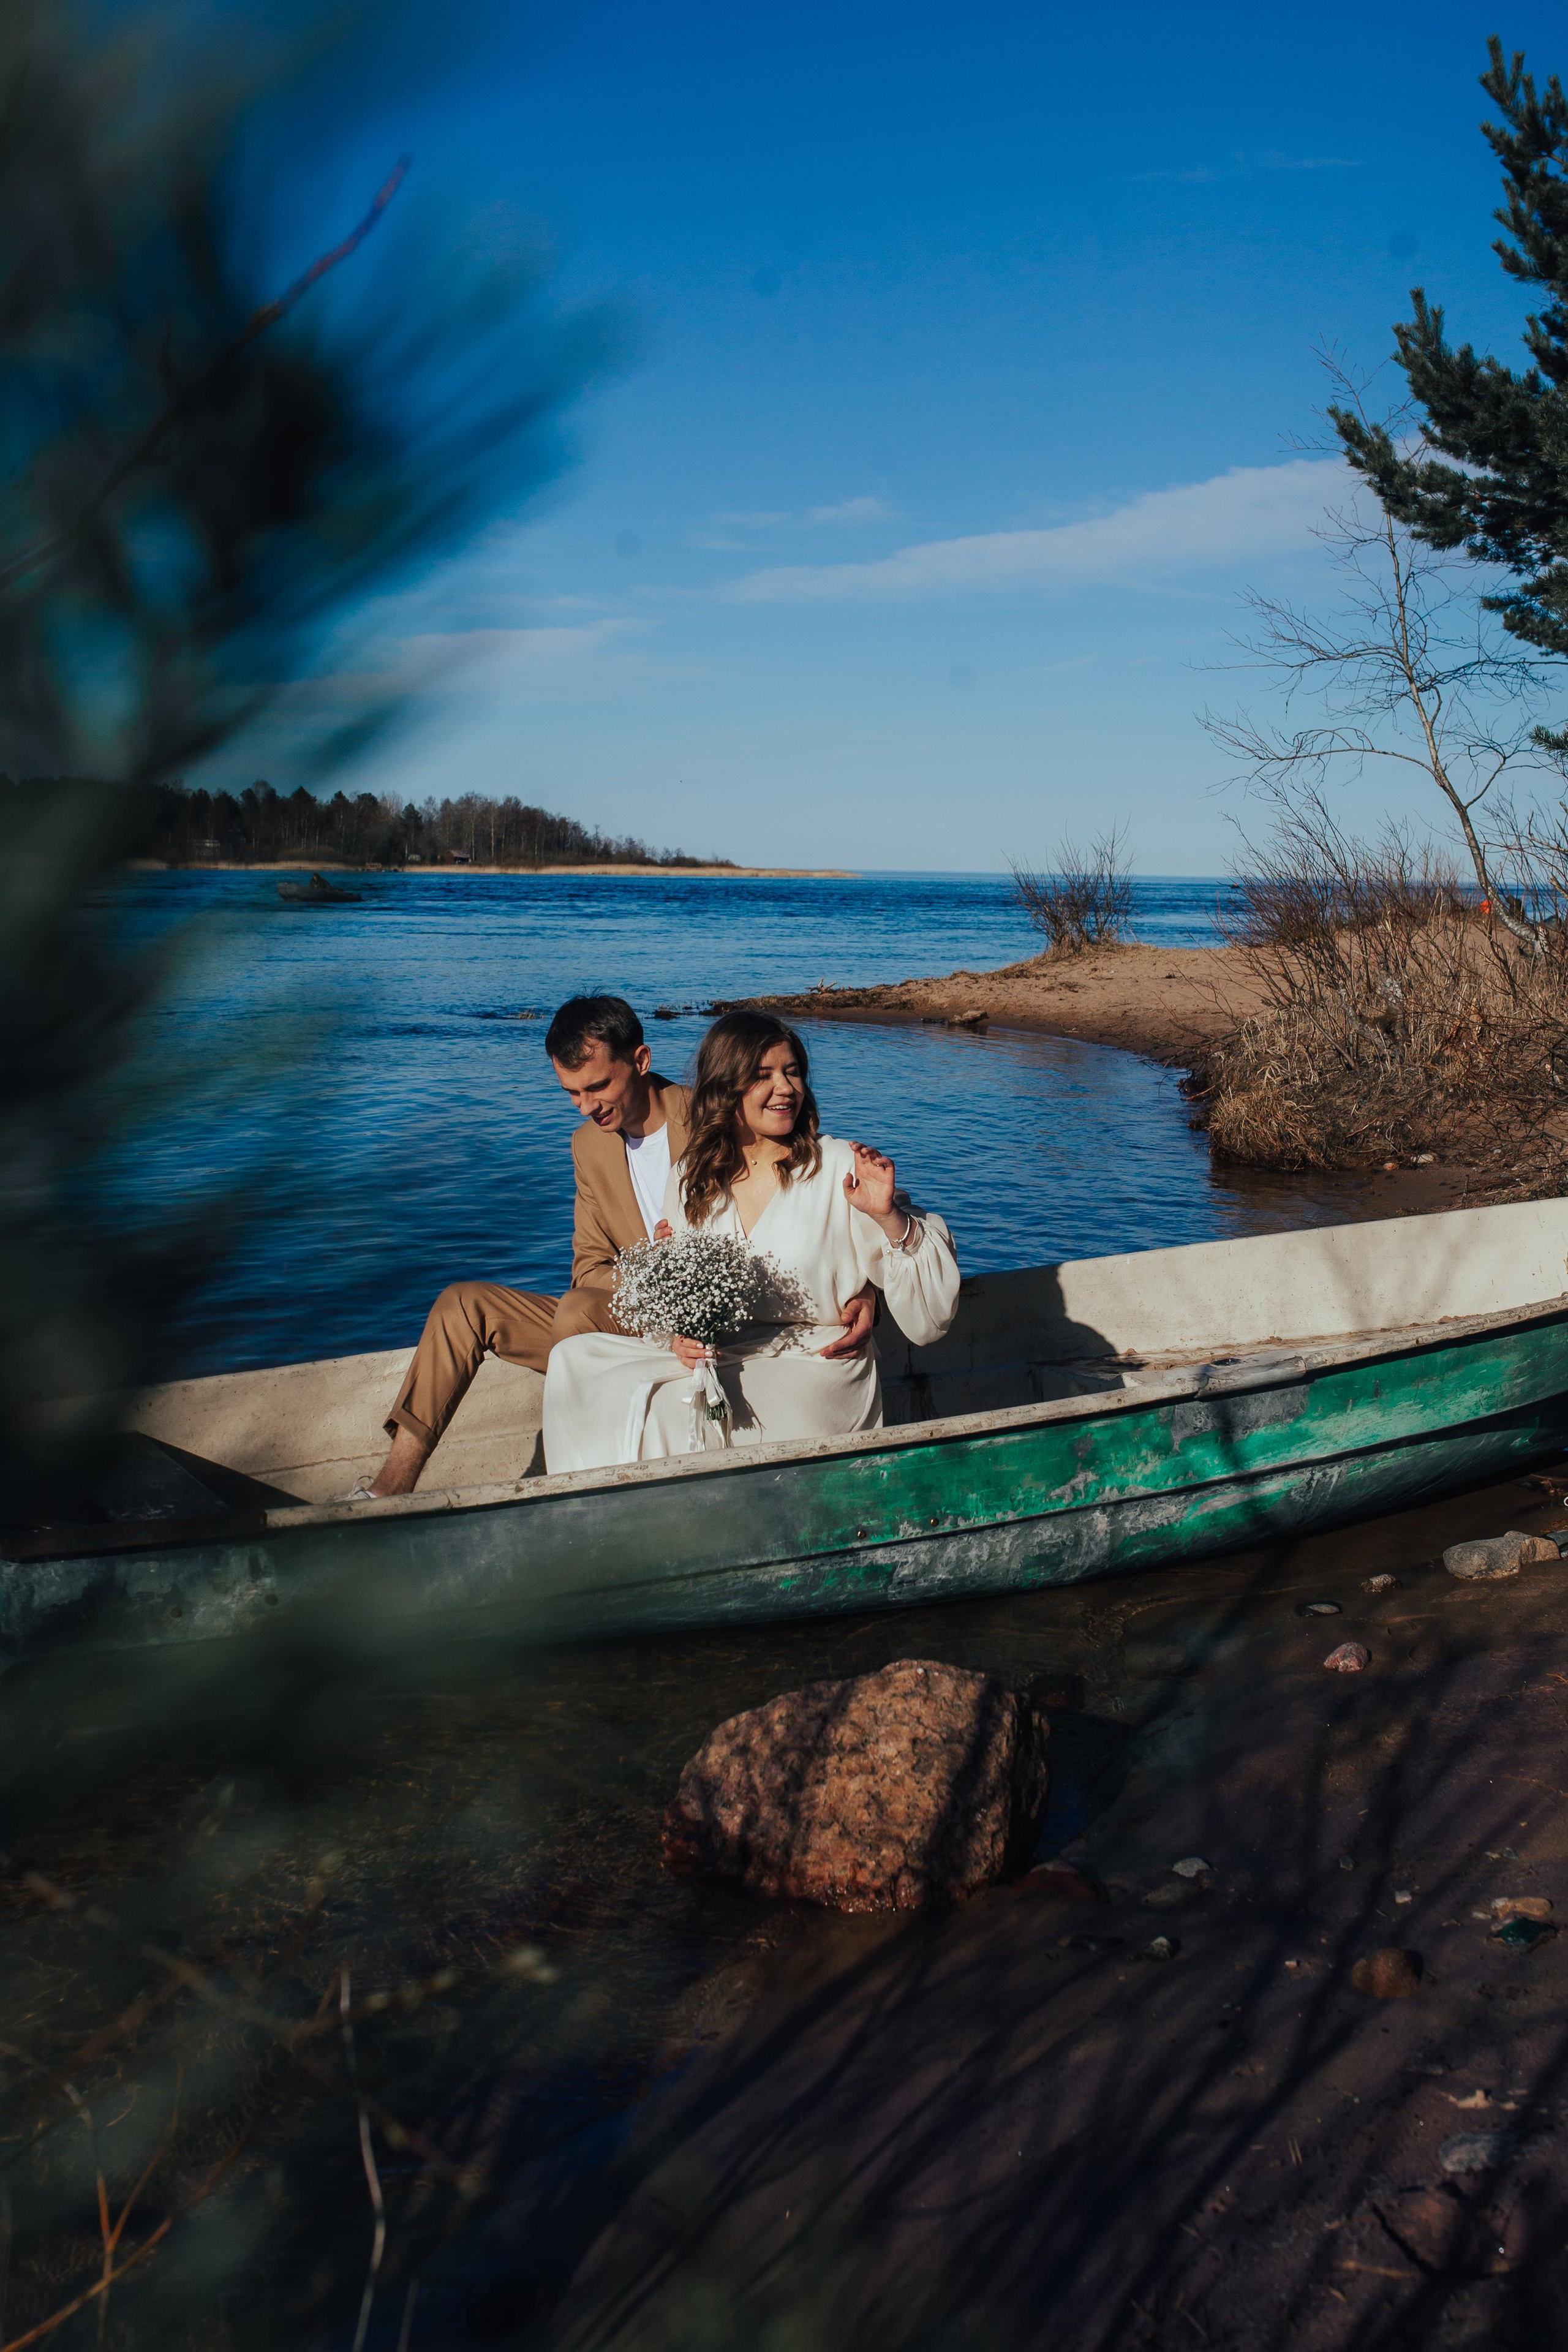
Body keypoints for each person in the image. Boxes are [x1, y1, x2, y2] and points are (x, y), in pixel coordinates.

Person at [356, 995, 875, 1498]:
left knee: (577, 1315)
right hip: (627, 1311)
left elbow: (808, 1193)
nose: (586, 1106)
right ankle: (391, 1488)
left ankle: (579, 1484)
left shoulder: (712, 1113)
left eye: (597, 1086)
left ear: (642, 1060)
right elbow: (588, 1266)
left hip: (724, 1324)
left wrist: (864, 1284)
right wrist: (656, 1284)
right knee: (462, 1306)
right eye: (572, 1093)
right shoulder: (588, 1145)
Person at [543, 1011, 959, 1473]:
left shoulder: (839, 1165)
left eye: (792, 1072)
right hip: (724, 1354)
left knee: (671, 1412)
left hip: (814, 1364)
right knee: (574, 1362)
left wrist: (888, 1218)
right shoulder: (690, 1181)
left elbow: (931, 1320)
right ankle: (589, 1517)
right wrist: (681, 1336)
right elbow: (683, 1295)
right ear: (727, 1087)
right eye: (762, 1076)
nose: (785, 1088)